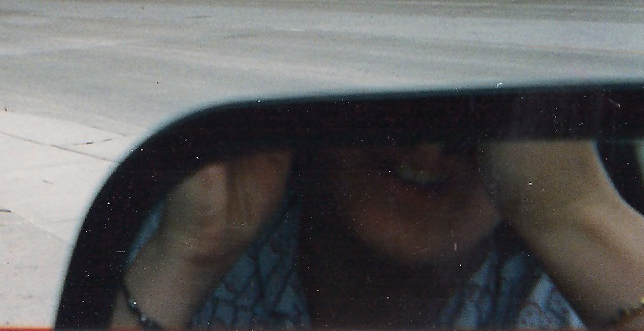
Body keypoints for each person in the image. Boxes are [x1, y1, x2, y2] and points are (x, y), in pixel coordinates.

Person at [112, 140, 644, 329]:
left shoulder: (573, 294)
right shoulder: (216, 235)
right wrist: (184, 263)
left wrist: (579, 219)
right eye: (392, 108)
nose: (429, 146)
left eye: (475, 120)